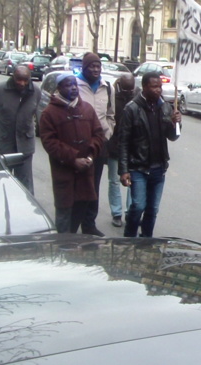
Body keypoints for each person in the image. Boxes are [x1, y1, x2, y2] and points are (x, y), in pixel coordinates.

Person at [118, 71, 181, 237]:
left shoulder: (165, 107)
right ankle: (129, 238)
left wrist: (176, 123)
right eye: (154, 87)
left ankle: (147, 240)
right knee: (138, 206)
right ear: (145, 87)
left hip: (158, 167)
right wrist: (124, 170)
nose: (158, 90)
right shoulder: (131, 109)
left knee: (152, 209)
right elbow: (123, 141)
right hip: (138, 167)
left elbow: (173, 136)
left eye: (160, 86)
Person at [40, 74, 105, 233]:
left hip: (85, 173)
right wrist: (73, 158)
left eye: (75, 84)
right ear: (59, 88)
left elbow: (98, 134)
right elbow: (50, 142)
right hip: (64, 175)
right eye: (69, 85)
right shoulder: (49, 113)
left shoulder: (87, 109)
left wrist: (90, 156)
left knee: (79, 213)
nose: (74, 88)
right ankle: (62, 252)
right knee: (64, 221)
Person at [77, 52, 116, 237]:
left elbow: (111, 114)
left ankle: (89, 224)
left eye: (98, 66)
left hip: (99, 144)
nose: (95, 69)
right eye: (92, 66)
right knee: (77, 184)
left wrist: (107, 133)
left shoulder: (107, 88)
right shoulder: (74, 85)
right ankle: (72, 222)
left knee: (94, 185)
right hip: (78, 145)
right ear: (84, 67)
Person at [0, 65, 40, 194]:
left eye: (25, 80)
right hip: (2, 143)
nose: (22, 83)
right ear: (13, 77)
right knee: (2, 182)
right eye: (18, 80)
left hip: (25, 146)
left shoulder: (35, 91)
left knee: (25, 185)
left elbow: (34, 111)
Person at [107, 73, 136, 227]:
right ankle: (116, 213)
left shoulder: (137, 96)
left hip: (132, 147)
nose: (129, 92)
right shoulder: (111, 97)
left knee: (133, 181)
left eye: (130, 90)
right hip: (115, 145)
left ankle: (131, 211)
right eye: (126, 90)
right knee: (114, 180)